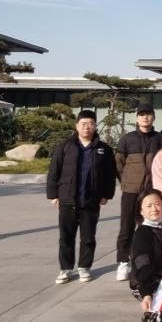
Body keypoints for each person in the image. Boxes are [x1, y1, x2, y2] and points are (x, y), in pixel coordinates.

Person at [46, 109, 117, 284]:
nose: (87, 127)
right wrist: (53, 194)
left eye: (90, 124)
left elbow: (110, 174)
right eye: (83, 124)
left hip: (91, 200)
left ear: (95, 126)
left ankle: (84, 267)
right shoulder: (65, 146)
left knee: (88, 237)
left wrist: (107, 194)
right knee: (66, 237)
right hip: (68, 199)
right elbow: (54, 171)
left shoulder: (103, 149)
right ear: (76, 126)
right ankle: (66, 269)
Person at [113, 102, 162, 282]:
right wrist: (126, 182)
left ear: (153, 117)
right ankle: (123, 262)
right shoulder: (127, 139)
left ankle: (149, 261)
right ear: (137, 118)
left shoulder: (159, 138)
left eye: (148, 114)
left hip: (151, 192)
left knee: (150, 227)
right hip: (130, 191)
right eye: (142, 114)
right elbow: (118, 165)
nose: (145, 117)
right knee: (126, 227)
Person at [129, 190, 162, 322]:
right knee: (156, 307)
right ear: (141, 211)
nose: (154, 209)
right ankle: (152, 314)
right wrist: (147, 293)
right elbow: (143, 266)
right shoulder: (142, 234)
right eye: (149, 206)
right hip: (148, 281)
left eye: (157, 203)